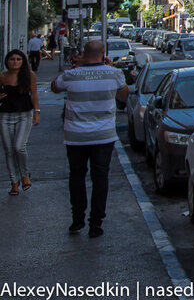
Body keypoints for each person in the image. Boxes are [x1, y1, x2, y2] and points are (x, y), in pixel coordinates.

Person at [51, 40, 128, 237]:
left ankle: (77, 219)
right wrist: (109, 68)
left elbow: (54, 87)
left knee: (77, 176)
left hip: (76, 136)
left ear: (83, 54)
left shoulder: (71, 75)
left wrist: (77, 66)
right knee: (100, 178)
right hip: (103, 135)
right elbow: (123, 95)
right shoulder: (115, 74)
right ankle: (96, 223)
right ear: (104, 54)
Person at [0, 49, 40, 195]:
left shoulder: (29, 76)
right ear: (7, 61)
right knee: (9, 151)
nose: (15, 62)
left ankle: (24, 175)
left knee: (19, 147)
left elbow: (34, 94)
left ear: (23, 61)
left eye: (18, 59)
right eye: (12, 59)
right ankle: (14, 182)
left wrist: (37, 113)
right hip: (5, 115)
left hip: (24, 114)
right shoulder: (3, 76)